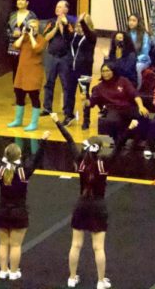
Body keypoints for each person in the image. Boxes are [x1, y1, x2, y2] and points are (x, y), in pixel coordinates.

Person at [51, 113, 138, 289]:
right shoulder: (104, 164)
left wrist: (57, 122)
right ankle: (100, 281)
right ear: (99, 150)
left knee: (75, 244)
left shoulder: (80, 161)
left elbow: (69, 139)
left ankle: (72, 277)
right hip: (98, 206)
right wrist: (130, 128)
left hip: (81, 204)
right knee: (98, 248)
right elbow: (120, 145)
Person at [0, 127, 51, 281]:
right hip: (18, 212)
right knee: (15, 245)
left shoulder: (0, 171)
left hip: (2, 211)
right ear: (19, 156)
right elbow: (36, 158)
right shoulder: (23, 171)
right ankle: (13, 272)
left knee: (3, 243)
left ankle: (3, 270)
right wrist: (43, 141)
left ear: (5, 156)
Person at [42, 0, 76, 125]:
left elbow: (70, 38)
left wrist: (64, 26)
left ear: (66, 10)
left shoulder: (71, 23)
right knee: (49, 83)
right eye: (57, 6)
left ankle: (68, 113)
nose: (57, 9)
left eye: (61, 7)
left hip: (65, 58)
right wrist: (56, 27)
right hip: (51, 56)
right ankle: (47, 107)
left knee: (66, 86)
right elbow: (46, 37)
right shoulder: (51, 22)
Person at [9, 17, 46, 131]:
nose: (32, 29)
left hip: (34, 72)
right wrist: (23, 34)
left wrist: (31, 36)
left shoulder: (41, 39)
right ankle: (18, 120)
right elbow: (15, 45)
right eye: (31, 26)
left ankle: (34, 123)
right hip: (22, 72)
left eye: (35, 27)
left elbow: (37, 48)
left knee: (34, 96)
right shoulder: (24, 38)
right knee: (19, 95)